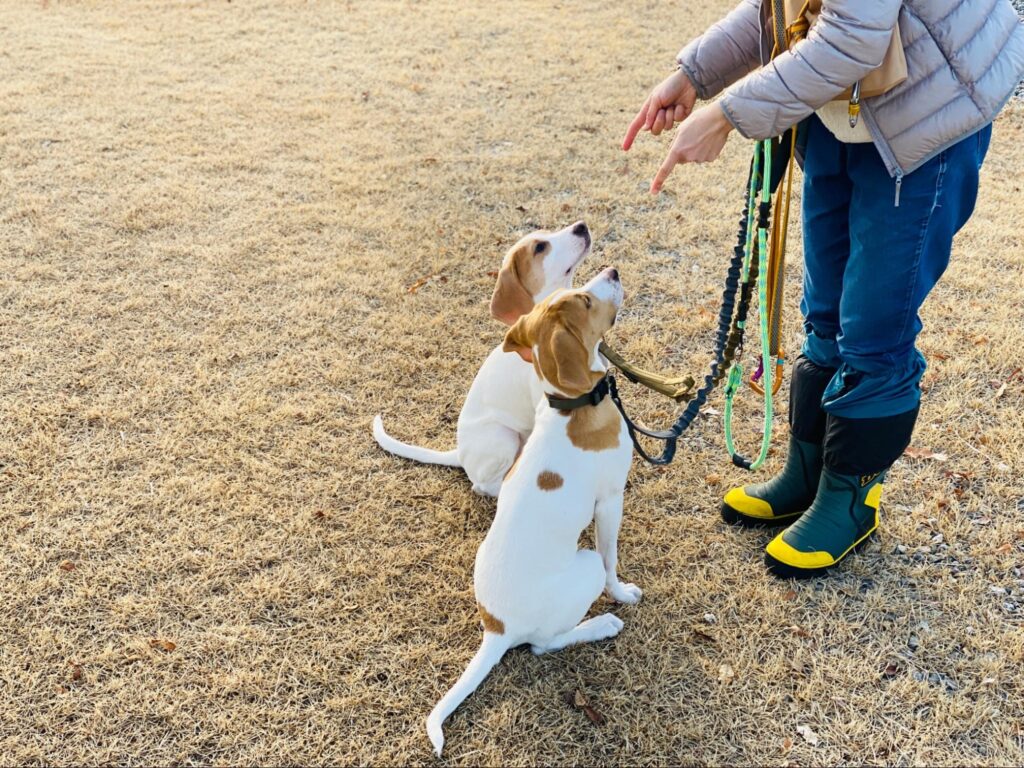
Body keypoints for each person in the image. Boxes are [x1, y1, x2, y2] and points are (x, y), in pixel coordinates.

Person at [623, 0, 1024, 578]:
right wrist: (692, 75)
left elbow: (855, 37)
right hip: (843, 106)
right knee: (826, 312)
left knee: (874, 321)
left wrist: (726, 115)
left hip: (928, 110)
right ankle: (810, 470)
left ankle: (852, 500)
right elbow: (780, 8)